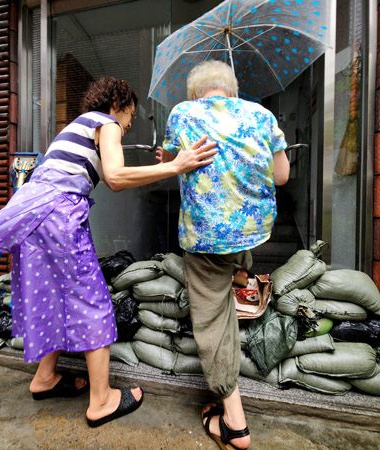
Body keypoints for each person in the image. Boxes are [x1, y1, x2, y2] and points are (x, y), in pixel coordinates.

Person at [0, 77, 217, 427]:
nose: (127, 126)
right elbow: (115, 177)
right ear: (118, 105)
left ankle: (45, 377)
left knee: (54, 298)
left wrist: (162, 162)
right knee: (93, 301)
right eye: (130, 117)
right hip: (57, 214)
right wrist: (175, 166)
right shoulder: (105, 122)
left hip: (30, 215)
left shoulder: (75, 128)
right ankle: (101, 400)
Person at [157, 60, 290, 450]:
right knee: (236, 254)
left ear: (196, 93)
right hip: (252, 230)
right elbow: (281, 176)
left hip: (205, 236)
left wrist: (169, 157)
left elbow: (168, 163)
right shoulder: (261, 114)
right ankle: (241, 274)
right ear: (231, 90)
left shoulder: (183, 113)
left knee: (211, 317)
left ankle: (234, 422)